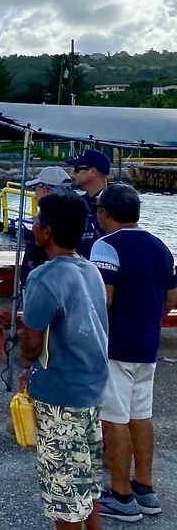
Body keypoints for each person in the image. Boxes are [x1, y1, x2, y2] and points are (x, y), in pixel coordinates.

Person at [21, 191, 109, 530]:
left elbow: (31, 340)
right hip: (91, 388)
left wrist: (28, 369)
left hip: (60, 394)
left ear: (48, 232)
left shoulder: (45, 277)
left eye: (38, 220)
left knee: (63, 490)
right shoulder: (90, 270)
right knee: (86, 481)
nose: (34, 225)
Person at [90, 184, 177, 521]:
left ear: (104, 213)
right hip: (146, 343)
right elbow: (172, 298)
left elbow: (103, 299)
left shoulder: (106, 246)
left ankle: (121, 494)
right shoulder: (160, 246)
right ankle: (145, 486)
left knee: (114, 418)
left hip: (115, 344)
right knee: (141, 414)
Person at [21, 166, 73, 285]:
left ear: (44, 190)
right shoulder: (74, 216)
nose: (35, 193)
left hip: (43, 284)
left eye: (36, 189)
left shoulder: (46, 220)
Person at [65, 149, 111, 258]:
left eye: (77, 169)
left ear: (92, 172)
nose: (73, 173)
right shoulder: (78, 202)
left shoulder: (112, 203)